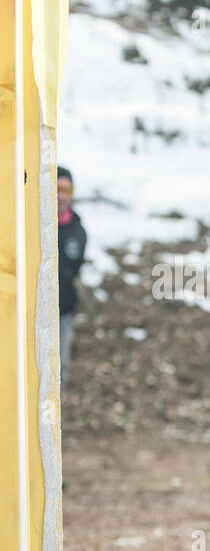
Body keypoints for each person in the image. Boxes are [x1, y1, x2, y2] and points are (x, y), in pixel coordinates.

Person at [57, 166, 87, 389]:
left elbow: (76, 269)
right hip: (33, 312)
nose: (61, 195)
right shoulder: (32, 226)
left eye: (66, 189)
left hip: (64, 310)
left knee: (60, 364)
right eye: (56, 188)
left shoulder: (79, 231)